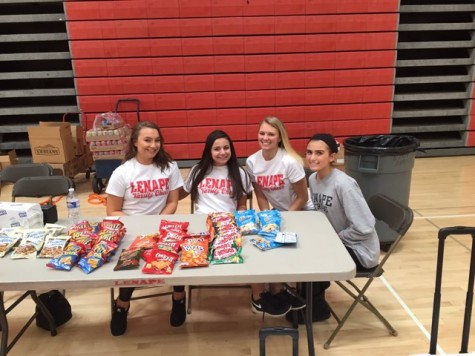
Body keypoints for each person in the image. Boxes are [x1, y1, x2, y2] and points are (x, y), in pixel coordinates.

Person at [106, 121, 185, 336]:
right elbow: (112, 211)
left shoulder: (169, 166)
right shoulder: (123, 172)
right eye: (147, 140)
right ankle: (122, 304)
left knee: (176, 254)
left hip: (162, 224)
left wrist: (157, 224)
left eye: (157, 140)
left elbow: (172, 202)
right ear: (135, 142)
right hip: (133, 229)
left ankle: (178, 298)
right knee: (130, 263)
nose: (153, 145)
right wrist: (141, 227)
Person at [296, 133, 380, 323]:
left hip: (361, 251)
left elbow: (365, 226)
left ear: (332, 157)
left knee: (313, 258)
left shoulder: (344, 184)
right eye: (309, 152)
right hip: (337, 241)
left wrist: (336, 236)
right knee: (303, 247)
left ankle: (317, 310)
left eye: (319, 153)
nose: (312, 158)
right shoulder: (313, 179)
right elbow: (321, 210)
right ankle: (309, 298)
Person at [245, 116, 312, 317]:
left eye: (271, 134)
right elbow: (260, 194)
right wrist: (267, 218)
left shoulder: (290, 161)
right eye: (262, 133)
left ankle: (287, 288)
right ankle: (275, 289)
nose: (265, 138)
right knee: (264, 242)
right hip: (277, 212)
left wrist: (283, 220)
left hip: (301, 211)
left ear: (279, 138)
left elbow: (303, 196)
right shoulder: (252, 161)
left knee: (288, 247)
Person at [179, 130, 252, 213]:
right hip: (202, 219)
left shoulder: (240, 173)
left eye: (226, 148)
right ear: (209, 151)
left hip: (227, 221)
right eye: (217, 149)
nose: (223, 152)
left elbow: (242, 205)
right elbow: (178, 195)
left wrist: (239, 217)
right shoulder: (197, 170)